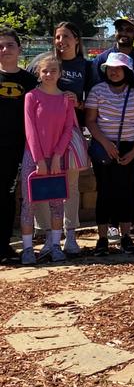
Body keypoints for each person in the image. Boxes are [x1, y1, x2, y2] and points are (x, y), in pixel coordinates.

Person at [27, 21, 93, 257]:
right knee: (43, 184)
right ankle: (47, 236)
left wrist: (78, 101)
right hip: (44, 134)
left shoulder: (86, 66)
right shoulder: (42, 62)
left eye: (66, 36)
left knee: (70, 187)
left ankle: (71, 235)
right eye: (57, 37)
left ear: (76, 39)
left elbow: (92, 100)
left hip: (71, 133)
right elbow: (30, 93)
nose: (61, 41)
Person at [93, 16, 134, 243]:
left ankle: (130, 225)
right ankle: (109, 225)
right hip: (106, 134)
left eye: (129, 29)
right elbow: (94, 93)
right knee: (106, 183)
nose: (124, 32)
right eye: (120, 28)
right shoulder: (101, 59)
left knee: (131, 180)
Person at [84, 52, 134, 256]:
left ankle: (125, 236)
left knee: (125, 192)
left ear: (127, 71)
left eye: (118, 68)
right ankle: (102, 238)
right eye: (110, 68)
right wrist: (105, 143)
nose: (114, 72)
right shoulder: (97, 91)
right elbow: (90, 121)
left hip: (129, 147)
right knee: (104, 191)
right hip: (103, 147)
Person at [20, 55, 76, 265]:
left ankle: (55, 245)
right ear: (38, 73)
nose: (49, 74)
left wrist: (57, 156)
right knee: (29, 203)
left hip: (57, 157)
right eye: (45, 71)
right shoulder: (31, 97)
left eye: (53, 70)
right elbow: (30, 130)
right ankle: (27, 249)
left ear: (60, 73)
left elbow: (68, 129)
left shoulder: (65, 99)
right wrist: (39, 160)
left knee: (57, 203)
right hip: (33, 157)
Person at [0, 28, 37, 263]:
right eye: (0, 46)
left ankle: (3, 247)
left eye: (9, 45)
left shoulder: (29, 81)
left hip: (15, 149)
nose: (4, 50)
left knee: (7, 198)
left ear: (19, 49)